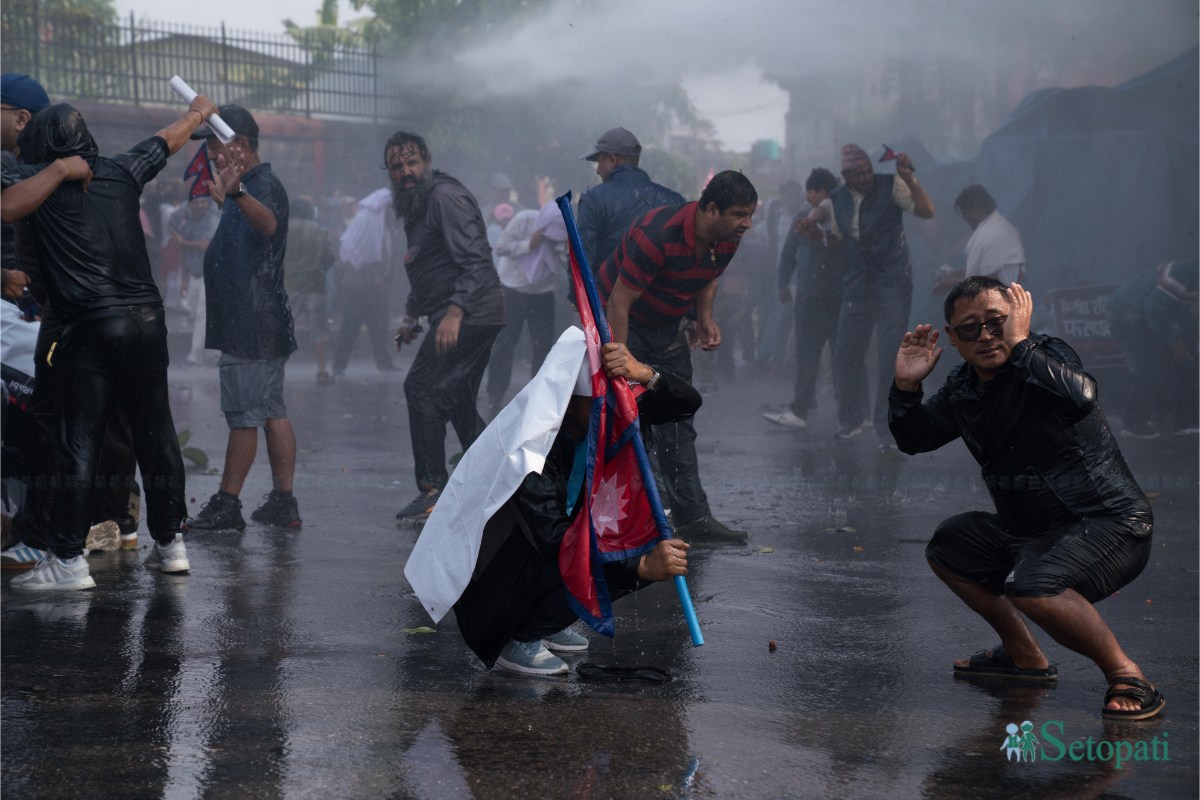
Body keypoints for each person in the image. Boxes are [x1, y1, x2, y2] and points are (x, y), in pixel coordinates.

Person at [890, 276, 1164, 721]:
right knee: (951, 546)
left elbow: (1080, 399)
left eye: (996, 322)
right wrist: (906, 387)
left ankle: (1129, 674)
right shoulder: (964, 388)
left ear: (1017, 319)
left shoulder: (1046, 355)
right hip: (1033, 535)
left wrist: (1023, 347)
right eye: (970, 329)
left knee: (1031, 584)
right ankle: (1023, 657)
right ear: (955, 340)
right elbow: (914, 438)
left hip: (1111, 526)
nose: (985, 336)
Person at [0, 97, 222, 588]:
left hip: (89, 326)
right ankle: (171, 545)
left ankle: (67, 561)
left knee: (79, 439)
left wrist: (57, 170)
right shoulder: (121, 172)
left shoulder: (38, 180)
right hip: (146, 321)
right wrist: (198, 114)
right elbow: (165, 142)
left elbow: (5, 205)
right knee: (157, 434)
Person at [409, 331, 696, 676]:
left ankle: (545, 621)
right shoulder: (529, 454)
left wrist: (645, 374)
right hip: (500, 588)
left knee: (647, 539)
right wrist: (640, 568)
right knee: (633, 556)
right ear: (567, 403)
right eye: (601, 404)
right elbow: (560, 542)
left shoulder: (610, 420)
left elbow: (685, 404)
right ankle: (518, 635)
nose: (614, 413)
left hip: (550, 553)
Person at [598, 170, 756, 542]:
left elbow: (708, 276)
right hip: (624, 325)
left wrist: (704, 318)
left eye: (750, 215)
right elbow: (619, 301)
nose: (746, 224)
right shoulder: (657, 235)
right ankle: (627, 522)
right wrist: (619, 364)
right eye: (739, 214)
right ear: (711, 209)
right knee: (626, 421)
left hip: (667, 330)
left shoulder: (727, 239)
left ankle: (693, 518)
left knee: (678, 419)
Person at [184, 105, 302, 532]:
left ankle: (227, 504)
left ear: (243, 146)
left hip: (251, 325)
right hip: (261, 321)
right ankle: (283, 502)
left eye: (217, 145)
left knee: (244, 416)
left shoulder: (257, 186)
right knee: (271, 409)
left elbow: (268, 225)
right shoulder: (246, 187)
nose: (213, 155)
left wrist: (236, 196)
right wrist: (228, 200)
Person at [387, 131, 506, 522]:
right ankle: (504, 480)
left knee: (422, 389)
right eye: (397, 167)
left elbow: (476, 260)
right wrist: (410, 316)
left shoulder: (444, 197)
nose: (406, 172)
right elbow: (426, 266)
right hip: (461, 313)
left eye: (412, 163)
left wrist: (454, 313)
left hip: (470, 314)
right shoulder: (417, 203)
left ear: (427, 161)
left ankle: (433, 489)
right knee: (455, 399)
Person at [830, 143, 934, 438]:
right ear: (846, 175)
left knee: (889, 353)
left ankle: (885, 424)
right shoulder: (837, 199)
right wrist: (818, 234)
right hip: (857, 284)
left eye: (868, 172)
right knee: (846, 351)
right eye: (858, 174)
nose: (865, 178)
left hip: (892, 281)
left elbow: (927, 211)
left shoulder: (891, 185)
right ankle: (851, 419)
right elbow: (839, 240)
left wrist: (910, 178)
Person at [764, 167, 844, 429]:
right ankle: (810, 404)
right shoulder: (808, 217)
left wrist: (783, 284)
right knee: (821, 353)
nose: (810, 197)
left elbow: (788, 253)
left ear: (820, 192)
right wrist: (783, 283)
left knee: (819, 353)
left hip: (824, 296)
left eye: (812, 192)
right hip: (820, 294)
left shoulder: (837, 216)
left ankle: (810, 409)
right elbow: (788, 254)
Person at [485, 200, 567, 415]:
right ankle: (495, 395)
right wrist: (528, 245)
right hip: (513, 289)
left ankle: (538, 397)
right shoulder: (525, 219)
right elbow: (500, 247)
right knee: (504, 343)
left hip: (543, 292)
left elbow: (568, 262)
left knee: (543, 345)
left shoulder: (565, 232)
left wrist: (563, 252)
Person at [1106, 258, 1198, 437]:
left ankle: (1183, 421)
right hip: (1129, 316)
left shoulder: (1192, 278)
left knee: (1179, 364)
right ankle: (1134, 424)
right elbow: (1154, 308)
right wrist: (1176, 341)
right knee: (1151, 368)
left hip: (1149, 316)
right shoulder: (1184, 277)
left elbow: (1182, 314)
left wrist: (1189, 343)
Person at [577, 127, 684, 272]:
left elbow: (582, 262)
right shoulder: (676, 201)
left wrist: (578, 295)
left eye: (599, 161)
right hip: (661, 294)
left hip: (608, 293)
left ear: (612, 159)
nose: (597, 170)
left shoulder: (593, 199)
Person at [332, 187, 401, 378]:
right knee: (350, 326)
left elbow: (389, 254)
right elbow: (359, 253)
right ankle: (339, 365)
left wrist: (387, 279)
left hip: (377, 288)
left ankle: (384, 363)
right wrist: (374, 276)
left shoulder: (387, 227)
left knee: (380, 325)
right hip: (358, 287)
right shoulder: (366, 222)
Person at [933, 184, 1026, 293]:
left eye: (964, 213)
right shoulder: (1000, 229)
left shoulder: (994, 235)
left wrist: (954, 282)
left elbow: (992, 283)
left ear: (975, 211)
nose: (964, 219)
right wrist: (956, 274)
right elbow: (986, 274)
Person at [169, 195, 219, 366]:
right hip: (195, 275)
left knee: (202, 316)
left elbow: (204, 244)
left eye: (203, 202)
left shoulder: (212, 220)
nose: (200, 206)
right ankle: (213, 354)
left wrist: (182, 242)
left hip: (212, 275)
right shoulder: (189, 222)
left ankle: (194, 357)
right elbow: (173, 223)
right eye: (196, 203)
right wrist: (185, 279)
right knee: (199, 315)